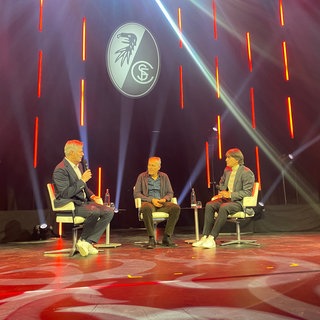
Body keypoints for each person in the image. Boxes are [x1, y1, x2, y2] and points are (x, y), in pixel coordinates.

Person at [53, 140, 114, 257]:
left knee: (109, 211)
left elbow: (83, 187)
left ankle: (87, 242)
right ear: (71, 153)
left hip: (83, 203)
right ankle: (84, 241)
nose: (82, 154)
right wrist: (82, 180)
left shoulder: (79, 166)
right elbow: (65, 193)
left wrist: (92, 196)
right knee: (94, 211)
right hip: (70, 204)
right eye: (80, 152)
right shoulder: (60, 169)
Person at [193, 148, 255, 249]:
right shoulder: (227, 170)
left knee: (224, 207)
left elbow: (247, 192)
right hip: (227, 200)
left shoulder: (246, 172)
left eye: (228, 158)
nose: (226, 160)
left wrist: (230, 195)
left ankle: (212, 238)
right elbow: (222, 183)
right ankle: (205, 236)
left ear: (236, 159)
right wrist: (221, 192)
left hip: (239, 202)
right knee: (209, 205)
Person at [134, 157, 181, 249]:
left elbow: (170, 193)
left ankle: (167, 237)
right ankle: (151, 238)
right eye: (149, 165)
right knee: (146, 208)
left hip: (161, 202)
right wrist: (151, 200)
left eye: (153, 166)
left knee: (176, 208)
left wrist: (164, 199)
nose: (150, 168)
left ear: (159, 167)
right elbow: (137, 194)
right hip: (148, 202)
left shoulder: (164, 177)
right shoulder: (141, 177)